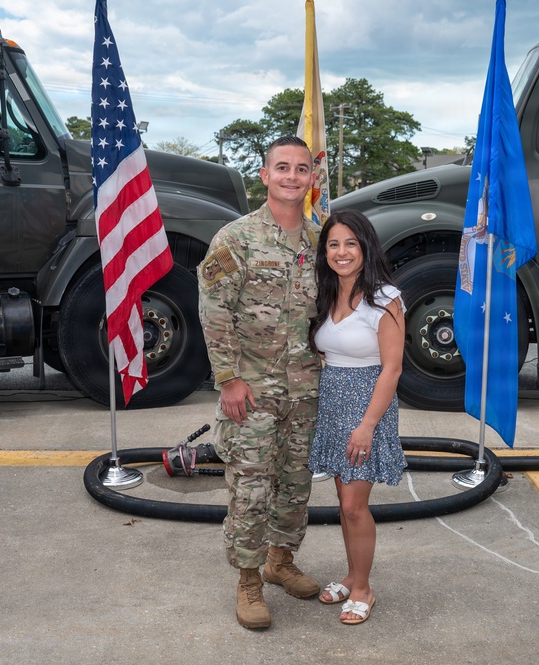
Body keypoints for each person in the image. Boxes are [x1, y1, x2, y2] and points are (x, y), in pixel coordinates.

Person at [197, 136, 322, 630]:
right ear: (265, 175)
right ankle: (249, 580)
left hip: (305, 389)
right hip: (252, 390)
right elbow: (213, 310)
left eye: (302, 169)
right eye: (282, 168)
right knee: (250, 489)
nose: (292, 176)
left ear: (312, 178)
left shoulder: (320, 242)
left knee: (294, 486)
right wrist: (227, 379)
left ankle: (280, 561)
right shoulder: (236, 238)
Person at [307, 209, 407, 626]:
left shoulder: (385, 298)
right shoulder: (326, 293)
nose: (342, 252)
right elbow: (325, 351)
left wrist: (366, 425)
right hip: (333, 402)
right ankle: (352, 575)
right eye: (333, 244)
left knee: (352, 505)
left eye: (350, 243)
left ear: (366, 247)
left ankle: (364, 589)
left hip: (368, 407)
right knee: (343, 502)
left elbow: (392, 368)